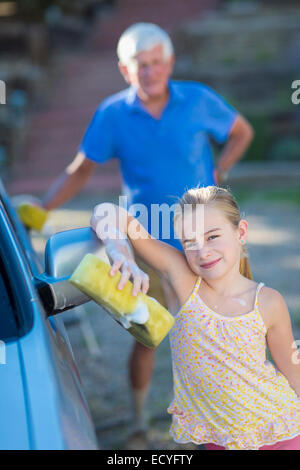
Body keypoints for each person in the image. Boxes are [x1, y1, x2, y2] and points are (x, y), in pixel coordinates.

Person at [41, 23, 253, 440]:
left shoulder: (197, 99)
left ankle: (225, 420)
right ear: (125, 69)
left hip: (204, 241)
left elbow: (241, 132)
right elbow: (81, 169)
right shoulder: (112, 114)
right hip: (147, 240)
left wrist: (221, 170)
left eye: (158, 63)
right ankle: (139, 421)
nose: (151, 72)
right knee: (148, 337)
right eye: (142, 66)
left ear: (169, 62)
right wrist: (42, 207)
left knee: (223, 333)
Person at [90, 185, 300, 450]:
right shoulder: (183, 281)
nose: (202, 251)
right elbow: (106, 212)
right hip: (217, 442)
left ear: (241, 232)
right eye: (190, 242)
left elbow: (294, 374)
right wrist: (120, 252)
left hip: (281, 434)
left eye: (212, 237)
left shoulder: (268, 301)